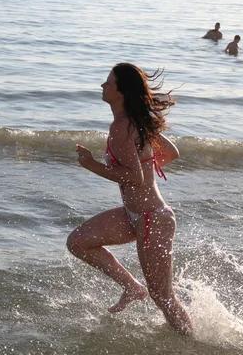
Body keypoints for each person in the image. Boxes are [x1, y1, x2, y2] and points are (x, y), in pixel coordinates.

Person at [67, 63, 193, 336]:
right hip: (134, 214)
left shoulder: (121, 126)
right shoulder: (136, 121)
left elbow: (134, 178)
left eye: (108, 83)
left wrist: (90, 164)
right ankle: (132, 287)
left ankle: (193, 343)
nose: (103, 86)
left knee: (164, 299)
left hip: (152, 219)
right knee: (78, 242)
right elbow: (172, 152)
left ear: (121, 92)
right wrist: (147, 166)